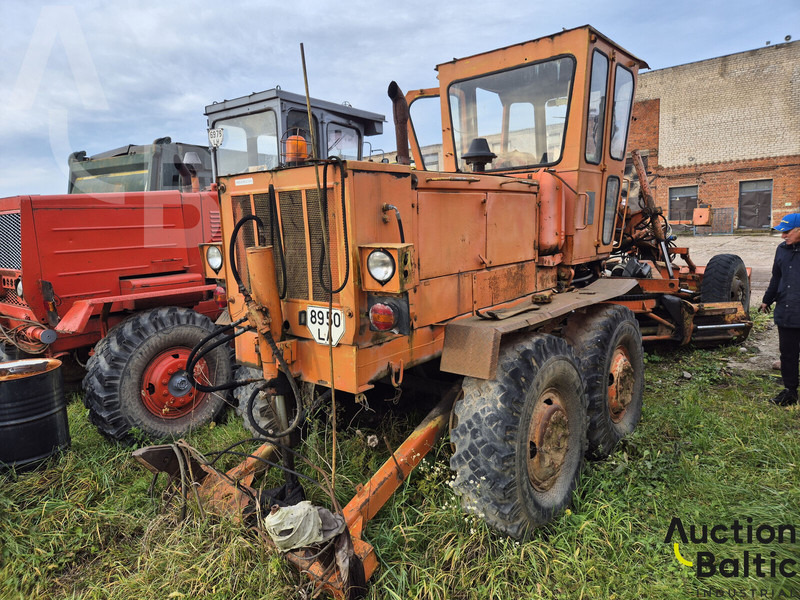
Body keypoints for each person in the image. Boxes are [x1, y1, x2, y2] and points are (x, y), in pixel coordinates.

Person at [759, 213, 800, 406]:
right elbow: (776, 277)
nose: (783, 236)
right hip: (787, 310)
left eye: (787, 232)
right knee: (788, 353)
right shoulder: (782, 250)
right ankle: (790, 392)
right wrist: (767, 299)